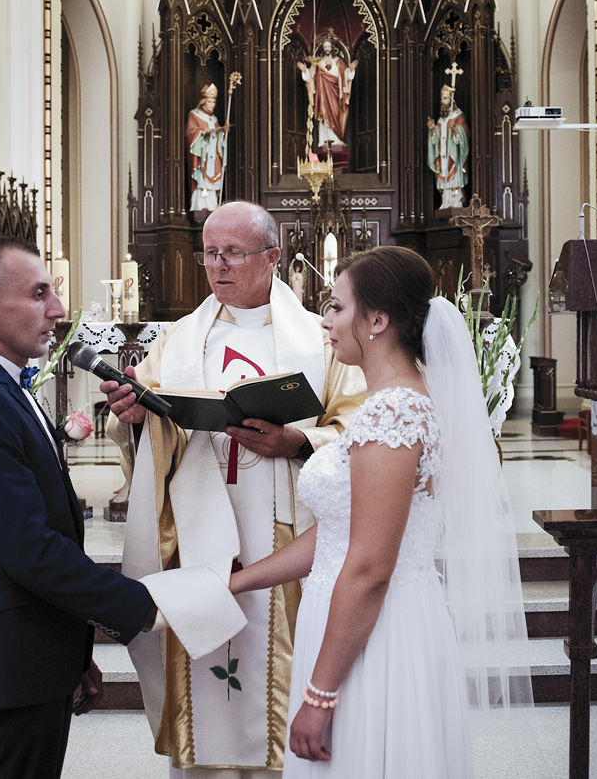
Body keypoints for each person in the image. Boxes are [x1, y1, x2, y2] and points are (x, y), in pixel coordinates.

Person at [228, 247, 532, 777]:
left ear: (376, 321)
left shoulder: (394, 412)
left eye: (337, 307)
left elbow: (370, 568)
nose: (326, 321)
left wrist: (320, 695)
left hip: (375, 632)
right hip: (370, 619)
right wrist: (238, 582)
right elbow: (341, 532)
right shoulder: (398, 401)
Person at [102, 201, 365, 778]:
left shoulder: (322, 340)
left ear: (273, 257)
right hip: (199, 527)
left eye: (233, 253)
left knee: (276, 657)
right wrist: (137, 417)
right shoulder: (177, 341)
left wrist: (298, 440)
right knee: (206, 672)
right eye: (210, 254)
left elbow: (358, 428)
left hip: (284, 531)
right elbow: (150, 427)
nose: (218, 265)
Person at [0, 235, 159, 779]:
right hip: (10, 660)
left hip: (35, 651)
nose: (58, 309)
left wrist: (71, 652)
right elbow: (30, 549)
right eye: (38, 294)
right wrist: (142, 606)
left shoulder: (5, 385)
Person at [297, 38, 357, 149]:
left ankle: (336, 139)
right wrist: (305, 71)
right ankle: (323, 140)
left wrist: (351, 69)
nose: (327, 49)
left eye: (328, 46)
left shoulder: (338, 61)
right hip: (323, 94)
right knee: (323, 115)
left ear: (332, 48)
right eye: (325, 47)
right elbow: (311, 78)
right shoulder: (318, 63)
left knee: (336, 114)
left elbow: (346, 75)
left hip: (336, 94)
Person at [187, 83, 229, 211]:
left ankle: (213, 206)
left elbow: (219, 139)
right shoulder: (194, 115)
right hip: (203, 155)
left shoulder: (214, 119)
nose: (212, 105)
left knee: (214, 179)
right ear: (203, 102)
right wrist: (201, 132)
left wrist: (223, 132)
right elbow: (190, 132)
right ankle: (199, 206)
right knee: (202, 181)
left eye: (214, 102)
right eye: (210, 102)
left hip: (214, 155)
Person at [427, 84, 469, 210]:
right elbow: (435, 140)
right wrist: (433, 130)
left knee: (454, 179)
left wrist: (456, 129)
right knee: (444, 178)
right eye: (442, 99)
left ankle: (456, 203)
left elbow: (465, 134)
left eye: (445, 98)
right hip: (443, 155)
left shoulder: (458, 115)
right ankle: (445, 202)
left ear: (451, 100)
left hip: (454, 155)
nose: (442, 101)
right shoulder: (441, 120)